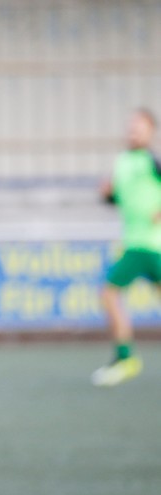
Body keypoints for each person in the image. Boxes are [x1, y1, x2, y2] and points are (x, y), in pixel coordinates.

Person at [91, 107, 161, 387]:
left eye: (140, 127)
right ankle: (125, 358)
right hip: (135, 242)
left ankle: (125, 358)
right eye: (131, 126)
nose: (134, 131)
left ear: (151, 132)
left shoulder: (152, 161)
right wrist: (108, 194)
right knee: (110, 294)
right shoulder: (122, 161)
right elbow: (121, 198)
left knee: (109, 293)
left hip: (150, 244)